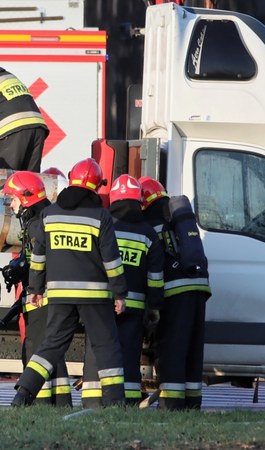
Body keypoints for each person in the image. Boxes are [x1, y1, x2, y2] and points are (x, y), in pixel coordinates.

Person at [11, 159, 127, 407]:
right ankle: (116, 402)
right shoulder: (101, 216)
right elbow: (112, 261)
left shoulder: (49, 214)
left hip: (59, 293)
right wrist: (119, 293)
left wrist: (35, 289)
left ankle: (23, 393)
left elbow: (38, 257)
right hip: (95, 295)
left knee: (51, 345)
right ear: (96, 186)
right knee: (106, 345)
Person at [141, 176, 211, 410]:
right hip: (199, 287)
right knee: (192, 348)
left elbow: (153, 265)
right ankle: (192, 403)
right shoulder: (179, 218)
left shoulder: (151, 222)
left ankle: (170, 404)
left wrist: (153, 303)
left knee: (172, 347)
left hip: (175, 291)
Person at [3, 170, 70, 406]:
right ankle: (61, 401)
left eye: (13, 199)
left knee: (36, 350)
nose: (11, 205)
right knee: (53, 353)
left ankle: (39, 403)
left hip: (42, 299)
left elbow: (39, 262)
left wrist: (30, 284)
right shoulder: (47, 217)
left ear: (26, 197)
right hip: (55, 297)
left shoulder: (35, 225)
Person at [106, 174, 164, 406]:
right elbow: (155, 278)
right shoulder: (148, 233)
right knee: (130, 357)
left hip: (105, 304)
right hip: (136, 308)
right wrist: (155, 307)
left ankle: (105, 399)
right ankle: (129, 402)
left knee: (104, 352)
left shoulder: (106, 225)